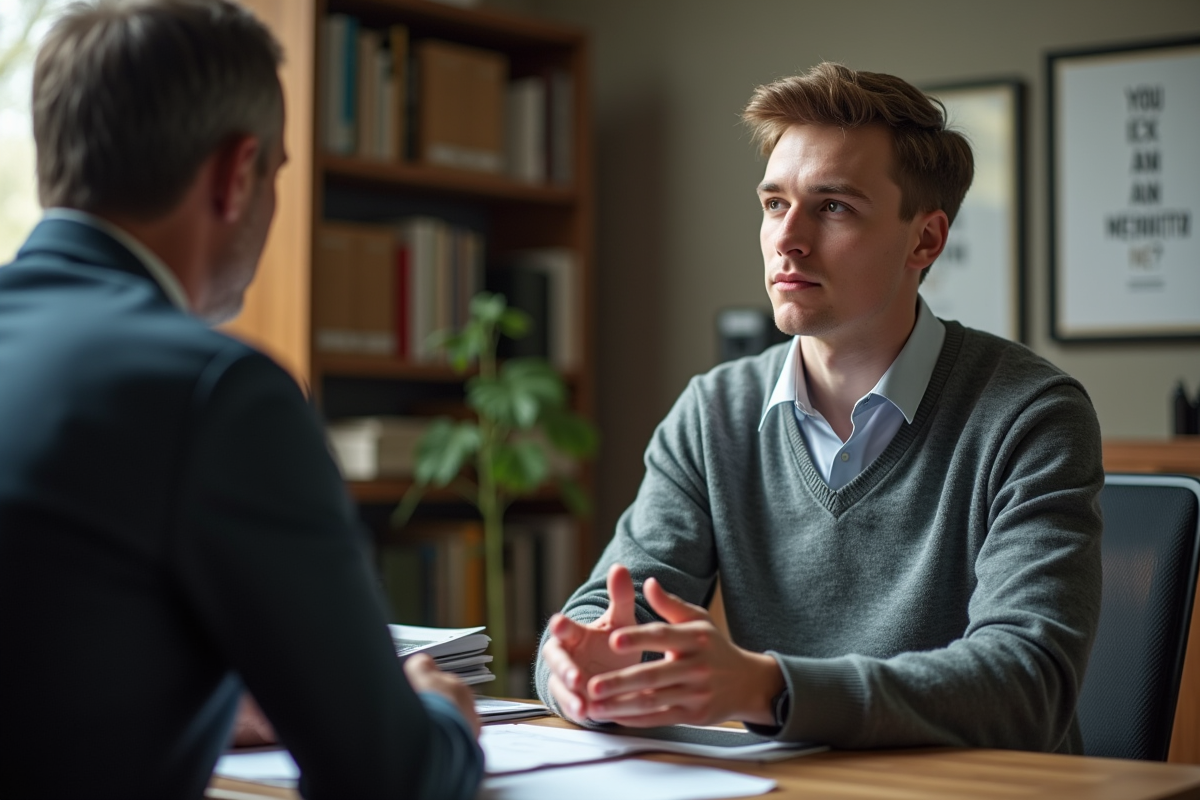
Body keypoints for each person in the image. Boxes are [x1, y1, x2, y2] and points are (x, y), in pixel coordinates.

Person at [536, 62, 1104, 754]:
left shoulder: (1031, 415)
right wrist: (575, 669)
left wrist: (767, 688)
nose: (787, 238)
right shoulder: (713, 412)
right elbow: (600, 613)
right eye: (775, 203)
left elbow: (1028, 683)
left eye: (833, 207)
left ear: (924, 240)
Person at [0, 2, 482, 798]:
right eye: (278, 172)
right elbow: (388, 777)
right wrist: (438, 712)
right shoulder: (217, 392)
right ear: (235, 174)